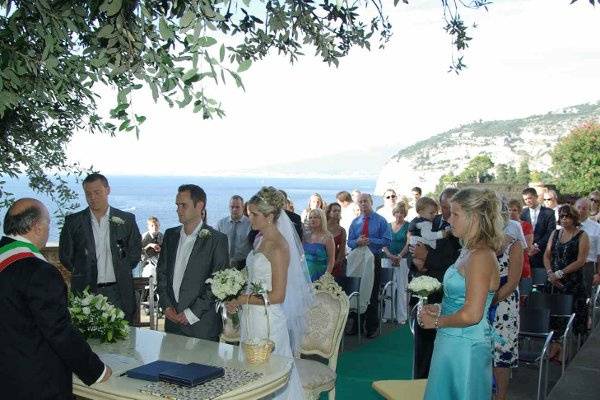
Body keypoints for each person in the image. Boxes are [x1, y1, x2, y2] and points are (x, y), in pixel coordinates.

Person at [1, 198, 111, 399]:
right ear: (37, 227)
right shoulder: (40, 272)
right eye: (48, 223)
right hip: (34, 384)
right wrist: (97, 370)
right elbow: (58, 331)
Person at [226, 186, 313, 399]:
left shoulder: (278, 246)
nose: (250, 219)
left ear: (270, 216)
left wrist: (242, 298)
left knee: (269, 378)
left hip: (267, 321)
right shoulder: (260, 239)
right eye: (250, 214)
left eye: (255, 214)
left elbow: (278, 296)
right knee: (252, 376)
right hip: (252, 316)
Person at [419, 187, 503, 400]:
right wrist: (440, 308)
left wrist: (437, 322)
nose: (449, 220)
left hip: (465, 347)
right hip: (451, 341)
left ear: (474, 217)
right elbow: (462, 299)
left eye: (455, 214)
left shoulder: (481, 256)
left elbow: (473, 314)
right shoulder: (468, 251)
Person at [59, 173, 142, 322]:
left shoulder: (126, 220)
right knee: (87, 341)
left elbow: (135, 254)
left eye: (97, 192)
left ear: (108, 190)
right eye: (88, 193)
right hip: (86, 292)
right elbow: (66, 256)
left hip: (119, 292)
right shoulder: (73, 222)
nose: (92, 197)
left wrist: (121, 268)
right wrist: (84, 271)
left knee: (124, 340)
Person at [156, 184, 229, 341]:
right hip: (172, 324)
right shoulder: (170, 235)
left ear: (199, 206)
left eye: (183, 205)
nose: (178, 209)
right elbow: (161, 273)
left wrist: (191, 313)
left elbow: (217, 283)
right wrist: (166, 306)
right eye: (177, 205)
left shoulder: (217, 240)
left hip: (202, 326)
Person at [410, 187, 461, 379]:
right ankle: (420, 382)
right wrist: (417, 263)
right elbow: (415, 247)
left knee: (444, 348)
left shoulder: (462, 228)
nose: (446, 212)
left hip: (449, 295)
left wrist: (428, 257)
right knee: (423, 344)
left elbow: (456, 263)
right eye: (444, 207)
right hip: (427, 292)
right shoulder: (431, 221)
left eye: (450, 207)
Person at [490, 201, 524, 400]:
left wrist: (490, 302)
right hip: (481, 301)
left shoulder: (514, 244)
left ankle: (500, 397)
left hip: (504, 305)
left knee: (501, 353)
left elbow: (512, 282)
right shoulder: (480, 243)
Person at [347, 193, 392, 338]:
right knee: (356, 290)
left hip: (373, 259)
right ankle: (356, 325)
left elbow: (387, 240)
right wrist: (357, 242)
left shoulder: (380, 221)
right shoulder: (355, 222)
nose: (363, 204)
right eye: (360, 202)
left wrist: (370, 240)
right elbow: (350, 242)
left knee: (372, 291)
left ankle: (371, 327)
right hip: (358, 261)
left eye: (365, 201)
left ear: (371, 202)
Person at [543, 204, 590, 338]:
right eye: (562, 216)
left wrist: (560, 273)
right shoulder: (555, 233)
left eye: (567, 216)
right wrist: (550, 273)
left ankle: (569, 349)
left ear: (574, 218)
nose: (564, 219)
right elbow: (547, 255)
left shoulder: (582, 235)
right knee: (553, 318)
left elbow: (581, 260)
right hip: (553, 281)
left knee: (572, 318)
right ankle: (555, 348)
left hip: (573, 282)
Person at [382, 202, 410, 324]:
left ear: (405, 214)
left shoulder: (408, 226)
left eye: (402, 213)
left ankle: (402, 316)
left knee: (402, 287)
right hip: (387, 258)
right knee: (388, 287)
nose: (399, 215)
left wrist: (399, 256)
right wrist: (389, 255)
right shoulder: (388, 226)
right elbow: (383, 242)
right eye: (397, 212)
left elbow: (409, 243)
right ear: (394, 213)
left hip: (402, 260)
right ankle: (388, 315)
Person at [521, 187, 557, 270]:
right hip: (526, 255)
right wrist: (528, 247)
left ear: (536, 197)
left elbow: (551, 232)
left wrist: (537, 246)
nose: (527, 201)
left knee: (540, 281)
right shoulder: (522, 213)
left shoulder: (549, 212)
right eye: (525, 199)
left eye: (529, 198)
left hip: (542, 253)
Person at [574, 197, 600, 298]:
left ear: (589, 210)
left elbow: (599, 253)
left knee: (585, 299)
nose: (580, 210)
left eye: (584, 208)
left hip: (587, 268)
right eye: (578, 207)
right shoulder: (566, 226)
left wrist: (598, 273)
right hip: (569, 266)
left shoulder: (597, 228)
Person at [508, 199, 534, 298]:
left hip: (522, 262)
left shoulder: (526, 226)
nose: (511, 212)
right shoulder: (504, 226)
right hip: (507, 263)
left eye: (514, 210)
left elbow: (527, 247)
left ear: (519, 211)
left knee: (523, 297)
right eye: (509, 210)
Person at [217, 195, 252, 269]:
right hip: (224, 263)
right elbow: (216, 243)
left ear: (243, 207)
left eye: (237, 207)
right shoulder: (221, 223)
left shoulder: (250, 224)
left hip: (244, 264)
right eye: (232, 207)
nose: (234, 209)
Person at [303, 208, 335, 281]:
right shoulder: (306, 236)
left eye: (315, 217)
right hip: (305, 273)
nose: (312, 220)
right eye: (310, 218)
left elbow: (331, 260)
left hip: (320, 275)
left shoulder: (328, 237)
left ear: (322, 219)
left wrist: (326, 276)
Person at [326, 202, 347, 277]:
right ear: (329, 213)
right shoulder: (322, 228)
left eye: (339, 211)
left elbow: (342, 251)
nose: (337, 213)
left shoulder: (342, 230)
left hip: (336, 263)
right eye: (334, 211)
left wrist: (334, 264)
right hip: (321, 261)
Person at [140, 216, 163, 280]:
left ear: (159, 225)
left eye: (156, 225)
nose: (155, 227)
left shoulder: (161, 236)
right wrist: (149, 245)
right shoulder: (144, 237)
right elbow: (139, 252)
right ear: (148, 227)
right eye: (152, 225)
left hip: (158, 263)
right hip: (147, 263)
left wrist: (161, 249)